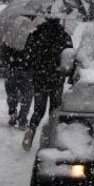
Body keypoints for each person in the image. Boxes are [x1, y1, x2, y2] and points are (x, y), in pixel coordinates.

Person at [20, 9, 73, 150]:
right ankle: (50, 139)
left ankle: (30, 132)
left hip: (39, 77)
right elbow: (69, 57)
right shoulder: (64, 36)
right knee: (55, 110)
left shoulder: (35, 34)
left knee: (38, 109)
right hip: (56, 78)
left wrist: (32, 69)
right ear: (59, 20)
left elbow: (27, 56)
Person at [3, 45, 33, 129]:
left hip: (12, 67)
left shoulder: (11, 37)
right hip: (27, 68)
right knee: (27, 95)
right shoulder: (32, 35)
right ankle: (22, 120)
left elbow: (5, 51)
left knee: (11, 92)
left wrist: (9, 60)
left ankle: (13, 112)